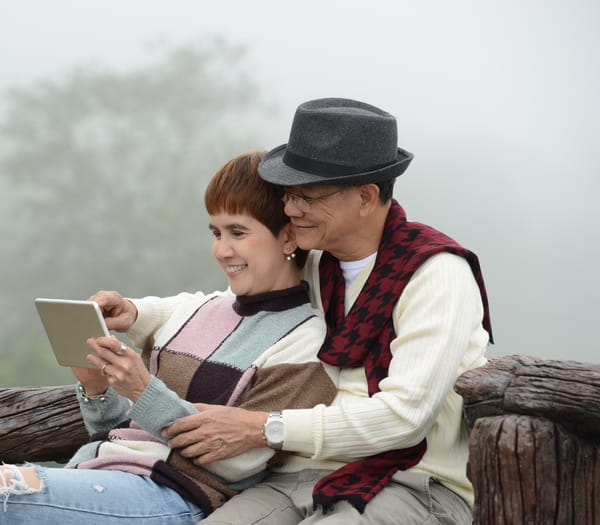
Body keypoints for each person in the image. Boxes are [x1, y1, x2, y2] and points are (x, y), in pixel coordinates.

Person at [98, 98, 493, 524]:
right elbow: (228, 305)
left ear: (365, 197)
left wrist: (261, 427)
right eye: (289, 194)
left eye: (308, 195)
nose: (290, 209)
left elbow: (404, 417)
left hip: (411, 482)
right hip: (295, 475)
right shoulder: (316, 261)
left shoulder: (435, 273)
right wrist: (136, 313)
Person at [0, 150, 336, 524]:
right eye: (215, 232)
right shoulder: (196, 311)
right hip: (107, 476)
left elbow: (240, 461)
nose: (222, 250)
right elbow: (120, 430)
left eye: (238, 232)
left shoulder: (305, 342)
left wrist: (142, 388)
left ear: (287, 236)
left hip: (181, 498)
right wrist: (97, 388)